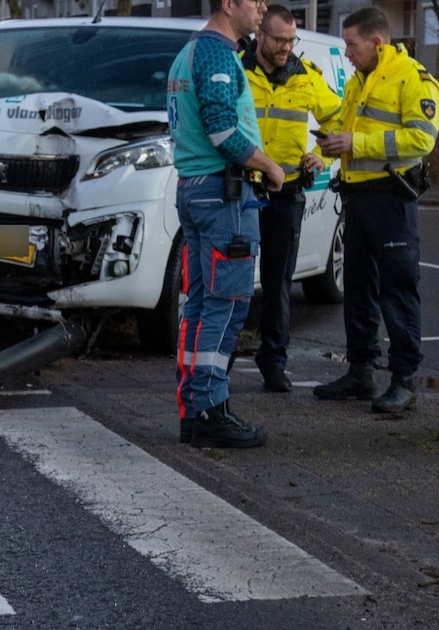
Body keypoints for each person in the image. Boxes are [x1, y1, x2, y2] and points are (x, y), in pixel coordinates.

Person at [168, 0, 285, 448]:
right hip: (223, 195)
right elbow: (221, 130)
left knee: (199, 303)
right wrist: (270, 166)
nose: (261, 9)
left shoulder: (189, 52)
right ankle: (211, 410)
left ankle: (193, 411)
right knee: (227, 304)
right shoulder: (218, 53)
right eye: (254, 1)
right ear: (229, 4)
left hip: (196, 189)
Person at [314, 7, 438, 414]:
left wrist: (355, 145)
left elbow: (421, 140)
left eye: (351, 44)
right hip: (357, 195)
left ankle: (403, 380)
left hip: (389, 197)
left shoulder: (412, 78)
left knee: (397, 289)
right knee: (359, 288)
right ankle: (360, 371)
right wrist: (325, 148)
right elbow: (349, 130)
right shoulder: (361, 80)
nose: (346, 52)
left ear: (376, 42)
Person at [242, 4, 342, 393]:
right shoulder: (238, 69)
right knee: (233, 279)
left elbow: (339, 121)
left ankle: (273, 363)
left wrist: (324, 154)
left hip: (287, 193)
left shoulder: (306, 77)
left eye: (291, 40)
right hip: (242, 188)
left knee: (278, 281)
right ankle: (223, 357)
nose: (286, 48)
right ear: (260, 35)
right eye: (279, 40)